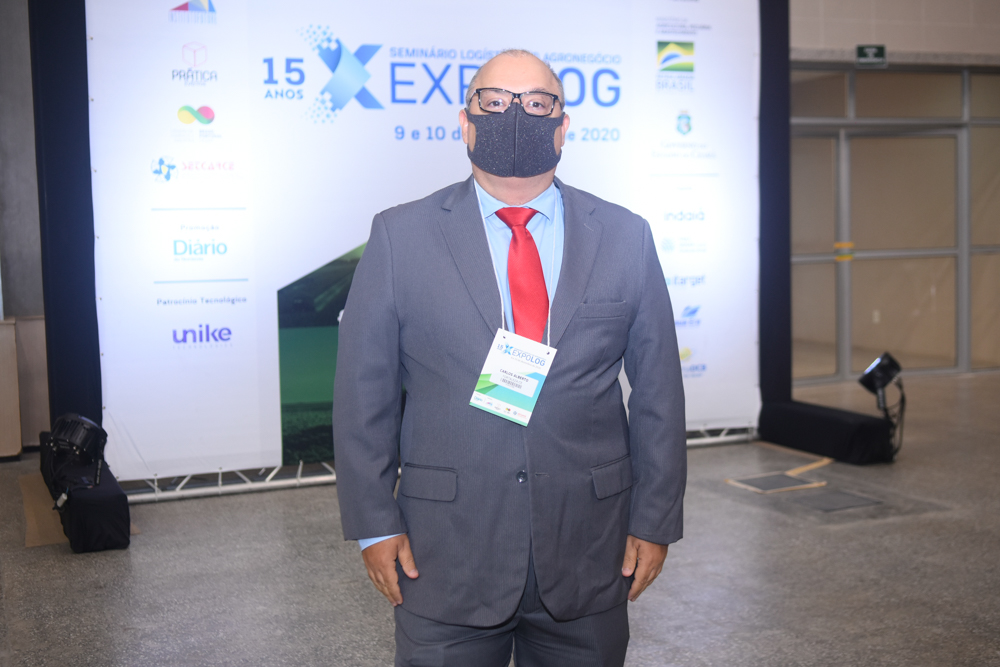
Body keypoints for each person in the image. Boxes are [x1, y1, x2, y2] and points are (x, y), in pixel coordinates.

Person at [334, 49, 686, 667]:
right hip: (443, 556)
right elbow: (365, 394)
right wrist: (375, 523)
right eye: (494, 102)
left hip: (590, 552)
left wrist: (654, 520)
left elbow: (659, 392)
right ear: (465, 123)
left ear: (563, 126)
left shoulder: (625, 236)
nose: (515, 115)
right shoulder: (399, 236)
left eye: (537, 103)